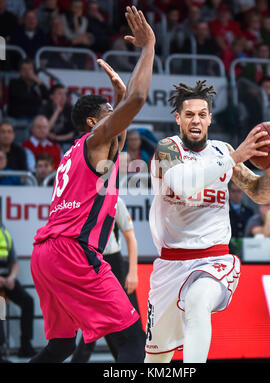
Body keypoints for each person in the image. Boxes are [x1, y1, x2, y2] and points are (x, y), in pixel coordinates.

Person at [29, 5, 155, 364]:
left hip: (45, 254)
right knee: (133, 341)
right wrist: (148, 48)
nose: (117, 124)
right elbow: (138, 100)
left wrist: (117, 102)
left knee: (61, 347)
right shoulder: (96, 141)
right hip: (72, 253)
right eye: (108, 118)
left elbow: (124, 116)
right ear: (92, 123)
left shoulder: (77, 151)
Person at [144, 80, 270, 363]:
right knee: (156, 361)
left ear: (210, 118)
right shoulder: (167, 149)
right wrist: (235, 158)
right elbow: (182, 185)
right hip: (170, 264)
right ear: (178, 119)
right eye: (189, 114)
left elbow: (259, 193)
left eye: (202, 114)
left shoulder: (223, 150)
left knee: (197, 303)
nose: (196, 120)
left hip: (213, 259)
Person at [71, 196, 144, 362]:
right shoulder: (81, 199)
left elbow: (130, 237)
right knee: (96, 320)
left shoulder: (115, 200)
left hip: (114, 263)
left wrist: (133, 272)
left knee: (129, 321)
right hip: (88, 263)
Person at [0, 225, 36, 358]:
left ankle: (25, 345)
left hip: (7, 279)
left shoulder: (4, 235)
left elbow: (14, 262)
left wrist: (12, 277)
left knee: (28, 301)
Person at [39, 84, 76, 152]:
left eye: (65, 94)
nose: (63, 97)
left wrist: (57, 138)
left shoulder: (70, 109)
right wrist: (57, 112)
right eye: (59, 94)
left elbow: (73, 133)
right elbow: (44, 129)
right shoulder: (45, 108)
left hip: (65, 142)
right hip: (47, 141)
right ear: (52, 96)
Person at [228, 180, 254, 257]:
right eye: (233, 191)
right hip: (229, 247)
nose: (236, 194)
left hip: (247, 247)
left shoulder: (249, 212)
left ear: (242, 193)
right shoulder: (223, 211)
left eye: (239, 191)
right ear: (228, 192)